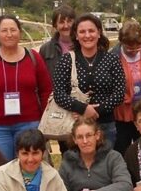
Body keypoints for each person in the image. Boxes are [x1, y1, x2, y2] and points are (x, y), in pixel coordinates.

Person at [0, 15, 52, 160]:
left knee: (30, 168)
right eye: (4, 30)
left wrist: (44, 123)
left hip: (30, 124)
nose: (9, 34)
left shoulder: (33, 57)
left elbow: (46, 91)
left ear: (20, 32)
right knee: (3, 171)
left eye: (13, 30)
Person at [51, 14, 125, 146]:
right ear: (76, 35)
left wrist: (96, 111)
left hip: (105, 126)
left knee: (105, 164)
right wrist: (83, 109)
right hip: (75, 125)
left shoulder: (112, 60)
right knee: (77, 165)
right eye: (82, 32)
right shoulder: (66, 60)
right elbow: (59, 94)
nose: (87, 35)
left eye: (91, 31)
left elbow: (119, 93)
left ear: (99, 33)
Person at [109, 21, 141, 155]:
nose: (134, 50)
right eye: (130, 48)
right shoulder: (112, 56)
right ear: (121, 43)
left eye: (138, 47)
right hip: (122, 114)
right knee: (122, 151)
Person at [39, 5, 76, 76]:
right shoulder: (45, 50)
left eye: (69, 21)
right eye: (61, 22)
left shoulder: (83, 46)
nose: (66, 26)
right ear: (55, 25)